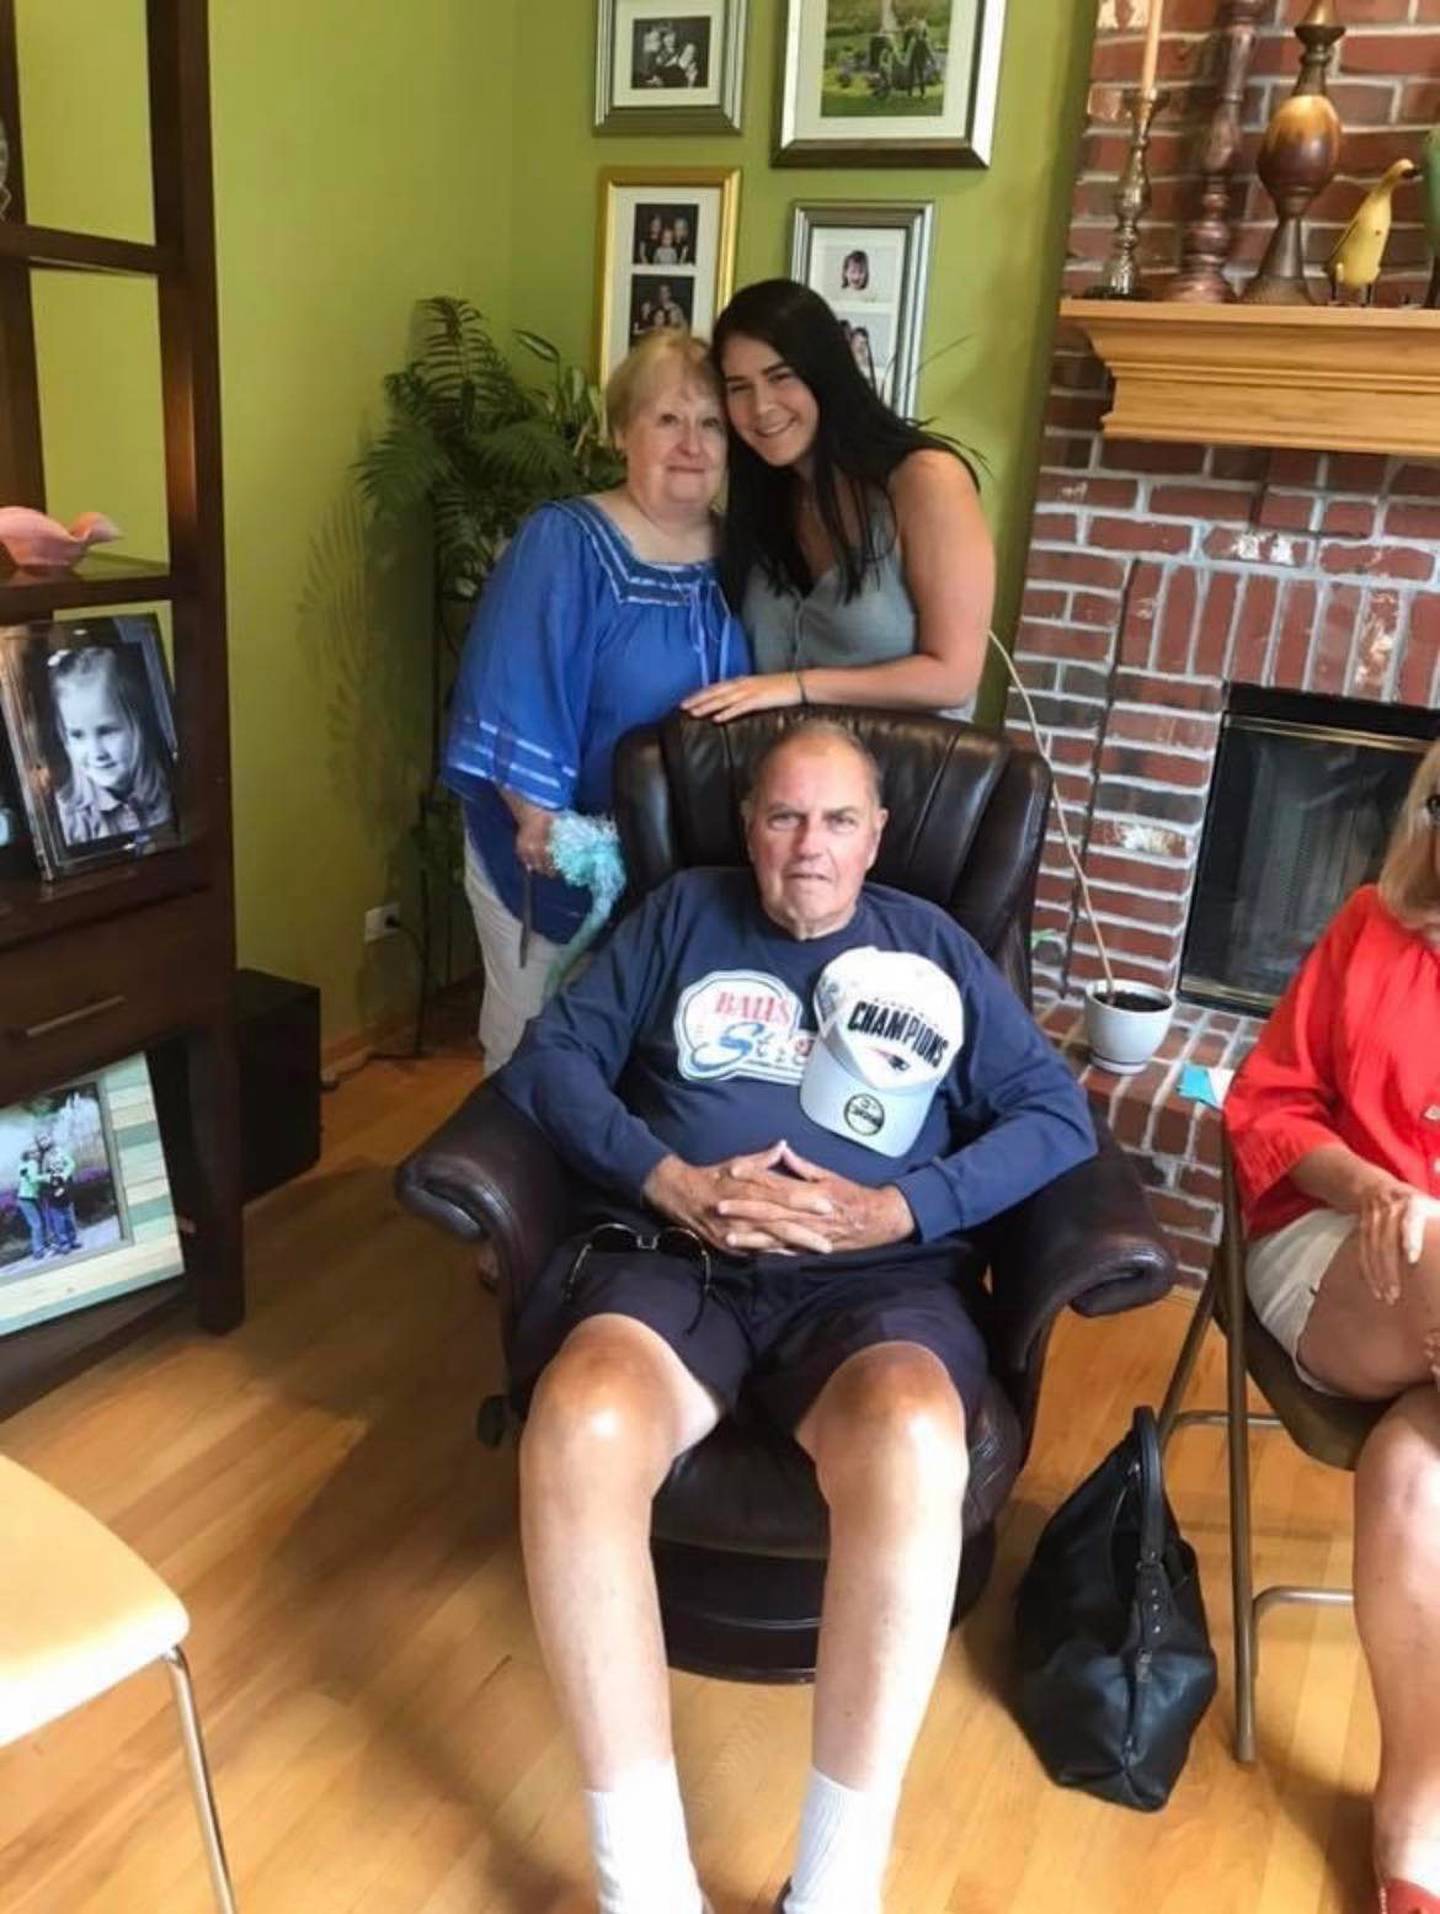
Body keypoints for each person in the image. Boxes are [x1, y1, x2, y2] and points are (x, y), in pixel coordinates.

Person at [495, 722, 1097, 1914]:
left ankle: (832, 1890)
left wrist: (900, 1208)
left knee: (919, 1435)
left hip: (874, 1285)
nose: (806, 848)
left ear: (879, 837)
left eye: (835, 822)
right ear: (746, 829)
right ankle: (643, 1886)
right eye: (781, 818)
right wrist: (669, 1177)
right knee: (577, 1421)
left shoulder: (934, 946)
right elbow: (548, 1062)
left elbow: (1054, 1120)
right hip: (681, 1259)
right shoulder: (678, 917)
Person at [1224, 737, 1440, 1914]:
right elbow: (1265, 1105)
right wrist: (1368, 1188)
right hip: (1336, 1246)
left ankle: (1417, 1800)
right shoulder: (1373, 925)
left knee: (1417, 1468)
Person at [442, 329, 749, 1072]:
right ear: (621, 431)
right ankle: (502, 1186)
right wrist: (539, 823)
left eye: (710, 424)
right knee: (536, 1053)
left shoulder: (742, 553)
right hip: (557, 854)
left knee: (639, 1063)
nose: (692, 444)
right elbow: (514, 679)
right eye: (667, 420)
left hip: (676, 866)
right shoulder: (566, 541)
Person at [683, 279, 994, 728]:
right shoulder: (768, 496)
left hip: (904, 782)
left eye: (780, 376)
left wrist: (797, 686)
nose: (761, 407)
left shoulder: (926, 482)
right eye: (738, 387)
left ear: (825, 372)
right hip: (783, 776)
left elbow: (954, 677)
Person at [49, 646, 173, 847]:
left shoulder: (172, 790)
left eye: (107, 731)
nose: (96, 753)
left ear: (138, 724)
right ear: (65, 738)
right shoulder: (68, 820)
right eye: (77, 735)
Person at [34, 1130, 79, 1256]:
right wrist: (48, 1178)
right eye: (40, 1140)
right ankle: (64, 1243)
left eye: (45, 1138)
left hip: (64, 1187)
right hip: (50, 1190)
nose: (43, 1141)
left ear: (50, 1138)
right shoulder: (39, 1157)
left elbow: (71, 1164)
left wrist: (64, 1175)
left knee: (69, 1216)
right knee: (58, 1220)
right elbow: (36, 1176)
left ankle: (72, 1240)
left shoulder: (60, 1150)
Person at [12, 1146, 52, 1262]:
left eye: (37, 1151)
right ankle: (39, 1251)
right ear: (29, 1154)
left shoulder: (22, 1165)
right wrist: (47, 1177)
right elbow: (34, 1179)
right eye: (33, 1152)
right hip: (27, 1198)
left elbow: (27, 1178)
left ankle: (43, 1246)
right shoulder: (32, 1164)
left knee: (39, 1222)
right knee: (37, 1224)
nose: (37, 1153)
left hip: (25, 1198)